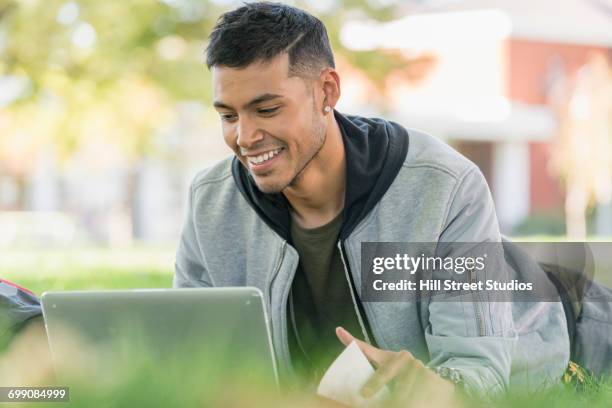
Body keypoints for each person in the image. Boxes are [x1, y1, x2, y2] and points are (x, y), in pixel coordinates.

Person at [172, 2, 568, 403]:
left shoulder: (443, 186)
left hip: (553, 332)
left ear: (327, 91)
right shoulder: (210, 203)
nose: (244, 136)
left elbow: (480, 373)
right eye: (227, 116)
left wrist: (434, 386)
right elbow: (185, 361)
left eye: (267, 109)